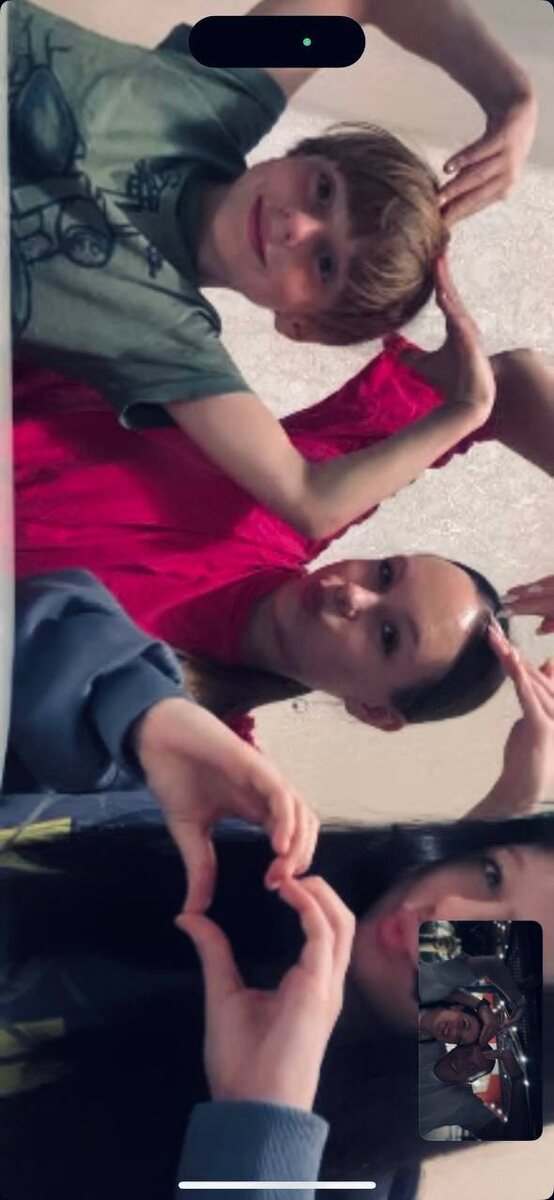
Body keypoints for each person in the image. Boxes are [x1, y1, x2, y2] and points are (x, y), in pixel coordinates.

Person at [9, 0, 540, 533]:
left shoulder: (167, 340)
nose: (297, 227)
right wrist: (513, 98)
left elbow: (311, 500)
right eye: (323, 190)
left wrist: (469, 409)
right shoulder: (219, 93)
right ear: (304, 152)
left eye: (324, 264)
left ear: (299, 325)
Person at [1, 808, 554, 1195]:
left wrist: (257, 1123)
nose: (445, 911)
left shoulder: (341, 1179)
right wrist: (140, 718)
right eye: (490, 874)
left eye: (505, 957)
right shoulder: (252, 858)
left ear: (504, 1060)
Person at [419, 1038, 527, 1139]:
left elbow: (510, 1138)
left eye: (472, 1068)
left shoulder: (464, 1103)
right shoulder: (430, 1043)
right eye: (467, 1052)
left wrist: (517, 1078)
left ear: (470, 1080)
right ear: (457, 1047)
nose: (462, 1062)